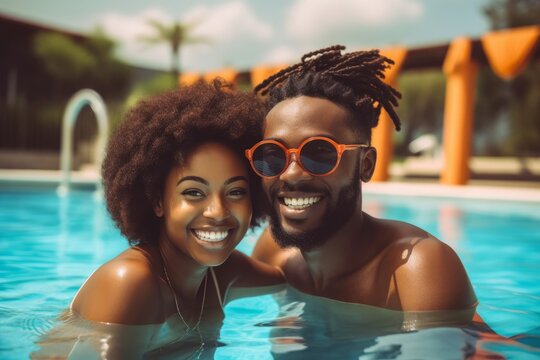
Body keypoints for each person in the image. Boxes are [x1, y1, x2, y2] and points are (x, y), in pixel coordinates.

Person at [35, 80, 283, 358]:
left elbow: (293, 280)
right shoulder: (129, 283)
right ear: (157, 201)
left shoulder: (222, 275)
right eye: (193, 192)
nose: (218, 211)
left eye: (236, 191)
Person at [250, 45, 477, 316]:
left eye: (320, 153)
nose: (291, 173)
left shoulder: (415, 269)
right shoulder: (273, 254)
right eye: (273, 155)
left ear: (365, 165)